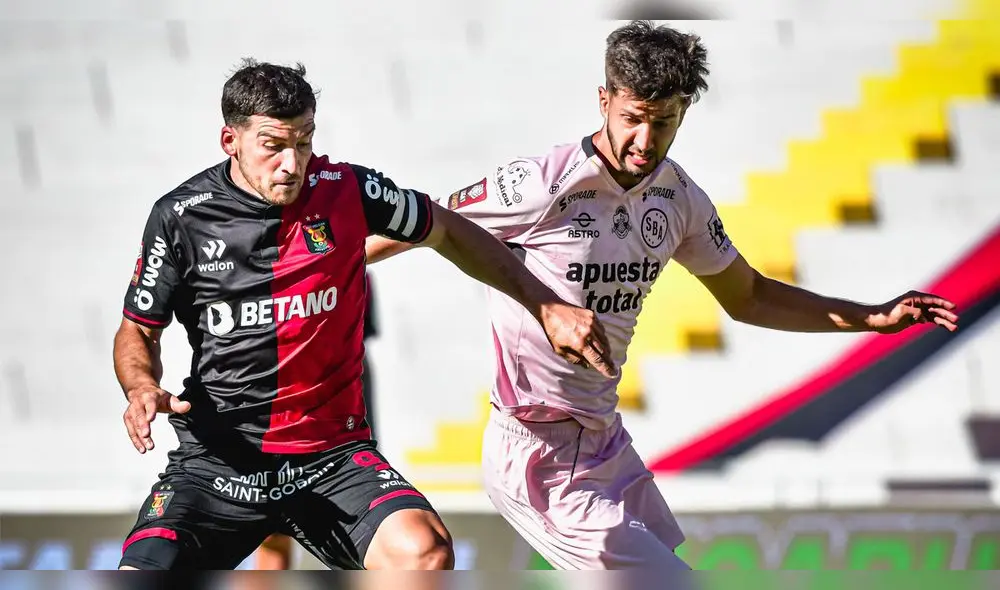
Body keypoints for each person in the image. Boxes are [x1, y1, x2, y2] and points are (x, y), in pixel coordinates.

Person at [365, 20, 961, 570]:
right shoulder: (543, 184)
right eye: (633, 117)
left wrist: (870, 317)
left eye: (666, 121)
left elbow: (748, 297)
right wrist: (297, 270)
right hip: (537, 452)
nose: (645, 140)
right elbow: (425, 222)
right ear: (604, 101)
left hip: (604, 443)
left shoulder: (680, 202)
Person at [113, 59, 615, 571]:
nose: (291, 162)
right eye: (273, 145)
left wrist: (543, 303)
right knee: (143, 570)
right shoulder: (180, 217)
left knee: (423, 554)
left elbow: (445, 227)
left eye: (304, 142)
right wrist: (140, 386)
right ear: (230, 141)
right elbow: (137, 330)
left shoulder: (347, 189)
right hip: (219, 460)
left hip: (330, 456)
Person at [254, 272, 380, 571]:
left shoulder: (352, 264)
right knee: (272, 531)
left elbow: (356, 343)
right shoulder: (251, 271)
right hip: (274, 416)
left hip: (338, 426)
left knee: (360, 527)